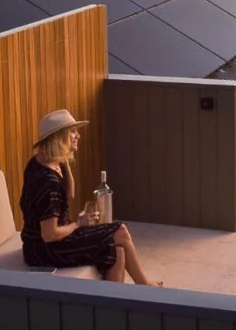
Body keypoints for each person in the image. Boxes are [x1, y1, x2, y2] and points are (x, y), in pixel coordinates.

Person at [20, 109, 161, 285]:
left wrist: (63, 158)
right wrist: (79, 223)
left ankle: (111, 302)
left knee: (117, 249)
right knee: (120, 231)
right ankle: (143, 285)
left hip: (37, 245)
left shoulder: (41, 161)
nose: (77, 135)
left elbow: (69, 192)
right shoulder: (47, 181)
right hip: (44, 250)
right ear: (58, 138)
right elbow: (50, 234)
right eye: (71, 131)